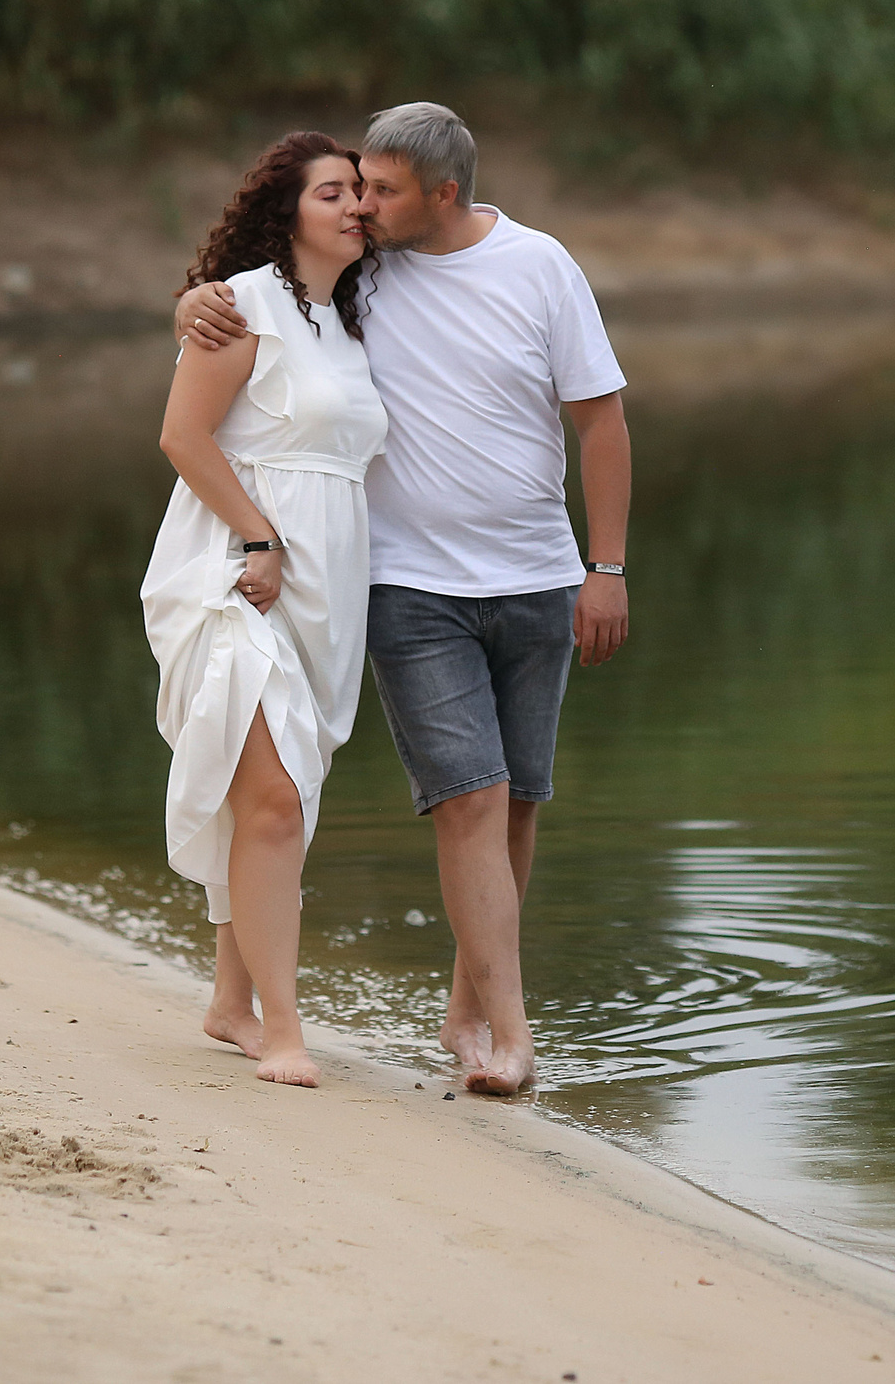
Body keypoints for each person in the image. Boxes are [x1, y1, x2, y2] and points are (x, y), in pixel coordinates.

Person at [177, 102, 630, 1096]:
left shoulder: (537, 266)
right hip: (407, 586)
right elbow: (254, 297)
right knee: (464, 797)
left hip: (538, 578)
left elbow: (599, 420)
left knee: (516, 803)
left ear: (444, 194)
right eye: (353, 189)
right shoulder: (361, 273)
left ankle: (468, 1007)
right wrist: (194, 307)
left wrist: (607, 567)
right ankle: (510, 1039)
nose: (365, 207)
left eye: (381, 189)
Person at [143, 132, 384, 1089]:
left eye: (364, 194)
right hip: (236, 573)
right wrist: (256, 538)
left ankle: (229, 1002)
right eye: (334, 192)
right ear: (287, 212)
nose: (356, 206)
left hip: (330, 584)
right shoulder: (242, 304)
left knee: (280, 798)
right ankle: (283, 1029)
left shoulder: (353, 323)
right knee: (274, 799)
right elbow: (181, 433)